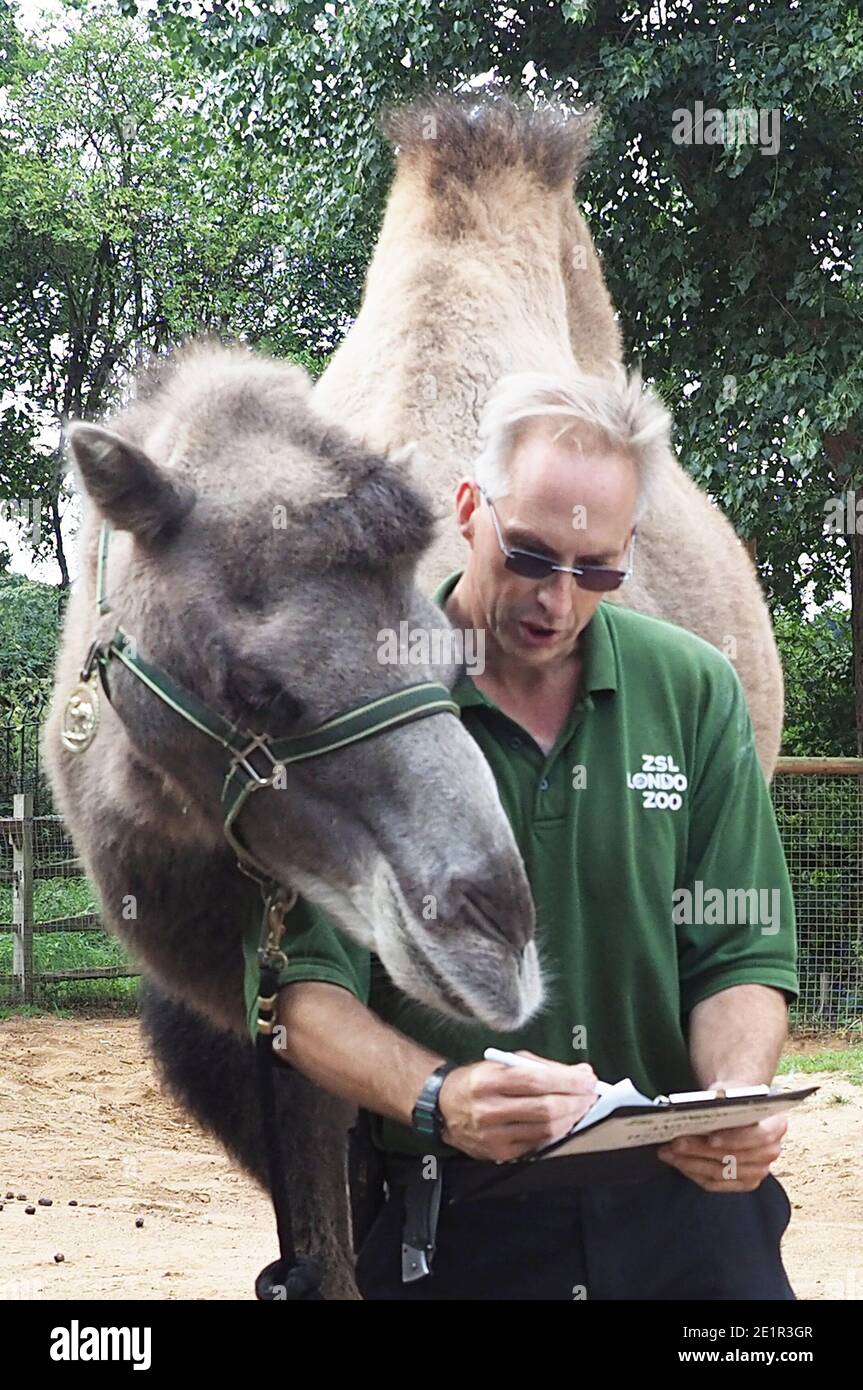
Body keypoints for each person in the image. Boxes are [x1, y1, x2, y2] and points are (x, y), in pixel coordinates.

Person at [272, 364, 799, 1300]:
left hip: (686, 1219)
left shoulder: (694, 691)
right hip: (466, 1217)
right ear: (469, 508)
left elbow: (738, 958)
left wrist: (732, 1099)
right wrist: (441, 1099)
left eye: (596, 570)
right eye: (528, 554)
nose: (557, 599)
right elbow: (310, 1003)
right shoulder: (367, 707)